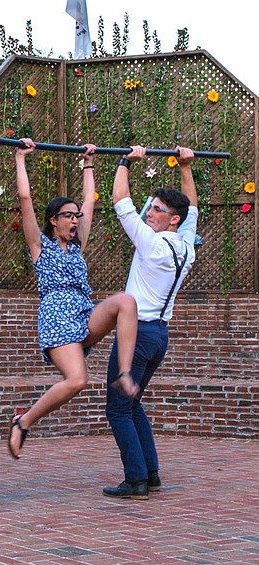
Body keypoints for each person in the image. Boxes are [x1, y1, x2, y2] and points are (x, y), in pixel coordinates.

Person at [8, 139, 140, 460]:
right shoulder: (41, 248)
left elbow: (89, 202)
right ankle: (23, 422)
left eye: (76, 216)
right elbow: (25, 199)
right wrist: (20, 158)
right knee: (77, 380)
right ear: (54, 220)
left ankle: (124, 374)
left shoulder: (77, 246)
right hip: (57, 319)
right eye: (68, 216)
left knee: (125, 302)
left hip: (83, 312)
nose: (75, 220)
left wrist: (89, 162)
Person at [103, 147, 197, 500]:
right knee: (133, 402)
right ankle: (150, 474)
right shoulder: (186, 246)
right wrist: (186, 167)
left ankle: (136, 480)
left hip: (137, 333)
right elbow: (193, 208)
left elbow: (120, 200)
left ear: (172, 219)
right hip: (158, 335)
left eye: (157, 209)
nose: (150, 212)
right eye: (152, 206)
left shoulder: (152, 244)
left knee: (117, 407)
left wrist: (127, 160)